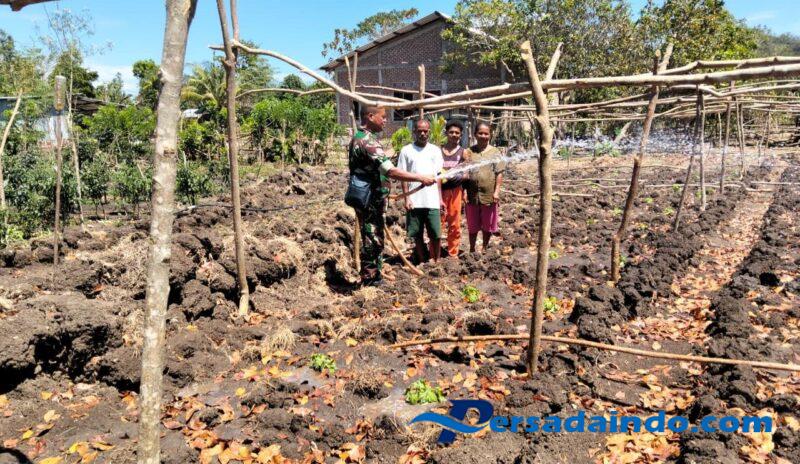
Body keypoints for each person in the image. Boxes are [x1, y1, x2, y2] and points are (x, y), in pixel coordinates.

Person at [348, 105, 435, 286]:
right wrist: (421, 177)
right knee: (372, 237)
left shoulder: (360, 137)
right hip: (369, 199)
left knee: (373, 234)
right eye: (383, 116)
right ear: (370, 116)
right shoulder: (368, 141)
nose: (386, 120)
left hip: (369, 198)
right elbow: (391, 171)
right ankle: (370, 279)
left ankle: (376, 275)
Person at [398, 119, 444, 263]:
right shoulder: (406, 150)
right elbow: (403, 176)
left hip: (432, 199)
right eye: (419, 131)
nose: (422, 134)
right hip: (414, 199)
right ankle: (422, 259)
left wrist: (440, 199)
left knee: (435, 233)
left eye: (425, 131)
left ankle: (436, 260)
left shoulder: (435, 150)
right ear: (414, 132)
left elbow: (438, 177)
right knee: (416, 233)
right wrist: (407, 198)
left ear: (429, 132)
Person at [463, 122, 505, 253]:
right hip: (472, 194)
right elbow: (465, 172)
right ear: (475, 134)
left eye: (486, 133)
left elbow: (499, 173)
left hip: (489, 194)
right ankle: (472, 249)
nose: (483, 136)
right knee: (472, 224)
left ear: (490, 135)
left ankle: (485, 247)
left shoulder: (495, 152)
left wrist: (496, 191)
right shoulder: (469, 152)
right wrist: (464, 191)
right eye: (480, 133)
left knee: (488, 223)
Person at [440, 120, 466, 257]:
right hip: (439, 192)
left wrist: (458, 177)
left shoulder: (463, 152)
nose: (454, 135)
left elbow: (468, 173)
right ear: (446, 133)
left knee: (455, 224)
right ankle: (435, 253)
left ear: (460, 135)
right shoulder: (438, 151)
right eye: (451, 132)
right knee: (438, 223)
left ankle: (453, 253)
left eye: (457, 133)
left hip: (456, 192)